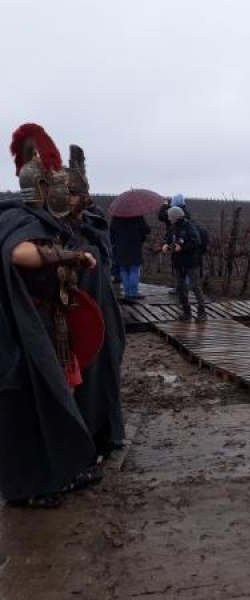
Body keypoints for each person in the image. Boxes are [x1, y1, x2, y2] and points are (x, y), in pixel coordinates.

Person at [1, 123, 102, 508]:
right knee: (30, 407)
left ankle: (63, 470)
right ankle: (31, 487)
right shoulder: (17, 218)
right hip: (25, 330)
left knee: (60, 398)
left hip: (51, 322)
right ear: (42, 187)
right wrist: (72, 256)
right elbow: (20, 255)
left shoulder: (46, 219)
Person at [63, 144, 126, 458]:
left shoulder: (94, 226)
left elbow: (99, 265)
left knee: (104, 372)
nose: (69, 199)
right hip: (71, 317)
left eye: (74, 193)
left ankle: (106, 434)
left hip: (100, 311)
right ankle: (84, 440)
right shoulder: (55, 231)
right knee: (81, 380)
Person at [161, 206, 207, 321]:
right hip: (178, 262)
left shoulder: (189, 226)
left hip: (191, 262)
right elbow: (168, 238)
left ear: (175, 217)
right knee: (181, 288)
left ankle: (202, 313)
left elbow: (196, 242)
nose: (168, 218)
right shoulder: (172, 227)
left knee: (196, 286)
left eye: (170, 216)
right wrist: (166, 244)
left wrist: (182, 248)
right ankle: (187, 312)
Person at [110, 213, 151, 301]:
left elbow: (111, 233)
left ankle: (127, 293)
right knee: (134, 270)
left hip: (120, 247)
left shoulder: (116, 216)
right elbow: (147, 230)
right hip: (134, 247)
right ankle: (133, 293)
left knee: (124, 270)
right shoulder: (137, 215)